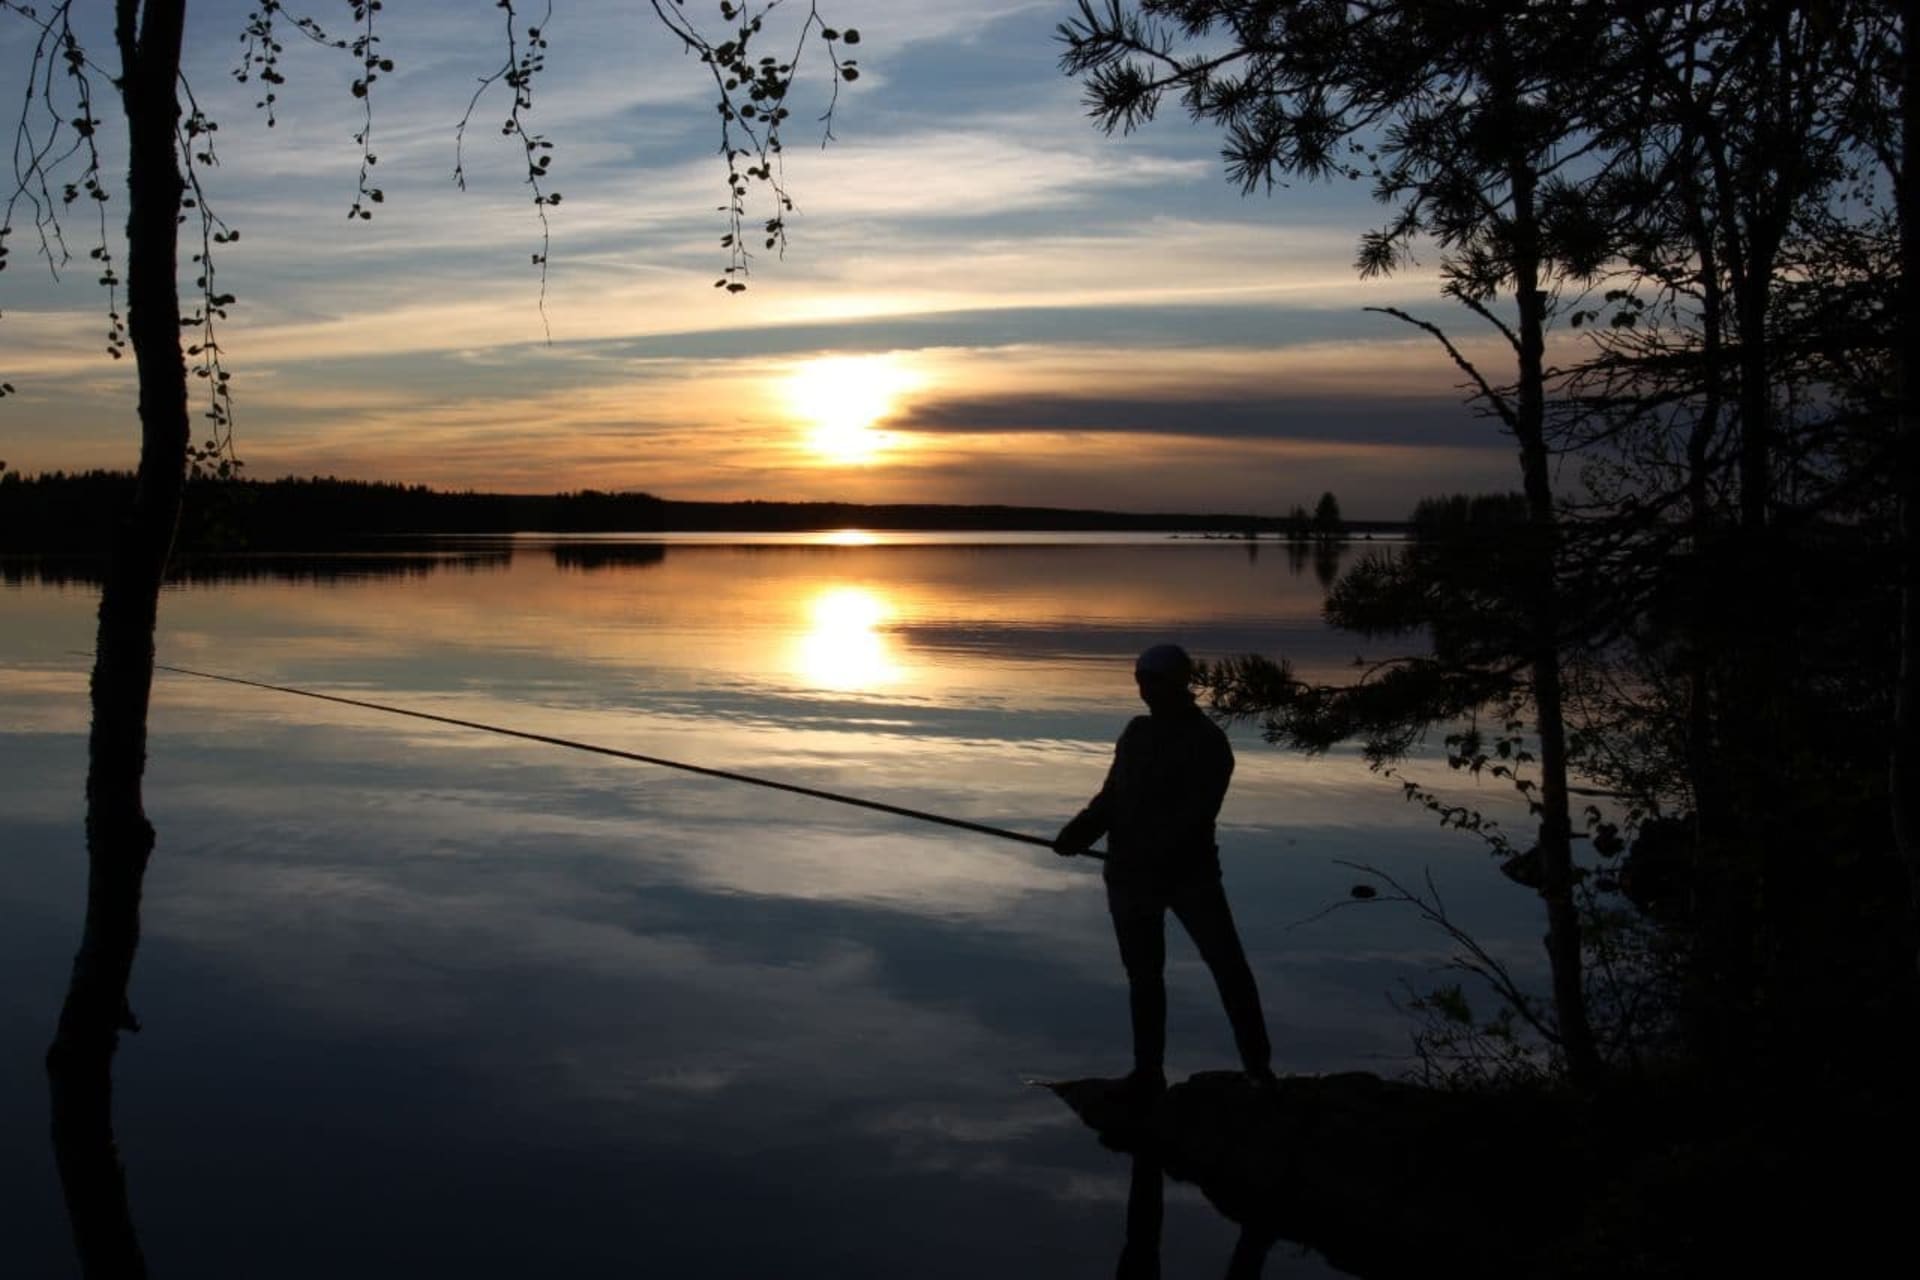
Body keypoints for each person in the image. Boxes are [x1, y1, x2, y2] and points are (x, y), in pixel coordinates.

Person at [1054, 643, 1274, 1097]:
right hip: (1129, 877)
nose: (1144, 689)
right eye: (1140, 680)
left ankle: (1258, 1070)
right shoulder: (1136, 733)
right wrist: (1078, 833)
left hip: (1190, 877)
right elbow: (1112, 797)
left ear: (1177, 683)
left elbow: (1197, 814)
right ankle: (1147, 1072)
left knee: (1228, 968)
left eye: (1152, 681)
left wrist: (1150, 855)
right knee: (1144, 977)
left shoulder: (1208, 743)